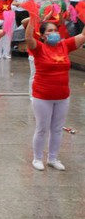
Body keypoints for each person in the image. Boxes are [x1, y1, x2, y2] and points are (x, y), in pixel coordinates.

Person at [26, 20, 85, 171]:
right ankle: (37, 158)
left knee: (57, 128)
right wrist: (32, 21)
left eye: (55, 30)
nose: (54, 33)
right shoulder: (39, 48)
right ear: (43, 35)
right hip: (42, 96)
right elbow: (29, 39)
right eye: (50, 31)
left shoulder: (64, 45)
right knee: (42, 128)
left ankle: (53, 158)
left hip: (63, 96)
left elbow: (83, 36)